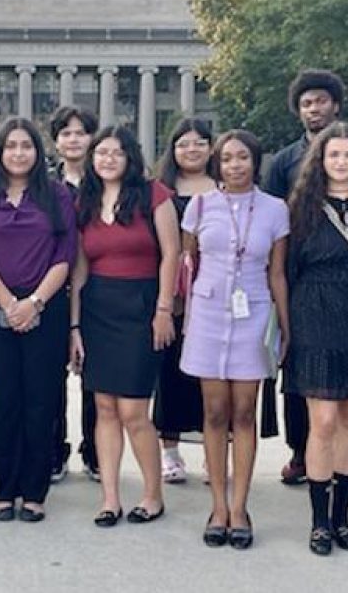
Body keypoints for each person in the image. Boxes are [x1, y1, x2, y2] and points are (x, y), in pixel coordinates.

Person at [264, 69, 348, 489]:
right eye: (306, 103)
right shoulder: (284, 162)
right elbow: (277, 224)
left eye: (320, 101)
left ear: (335, 104)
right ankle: (302, 451)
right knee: (305, 384)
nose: (314, 109)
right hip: (306, 287)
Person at [0, 118, 76, 522]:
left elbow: (65, 253)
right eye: (10, 146)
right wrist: (10, 303)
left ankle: (34, 489)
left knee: (41, 399)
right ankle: (3, 485)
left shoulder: (56, 194)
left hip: (46, 311)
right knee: (0, 397)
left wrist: (35, 303)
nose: (18, 154)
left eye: (26, 146)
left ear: (38, 152)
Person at [181, 129, 289, 549]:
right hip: (208, 312)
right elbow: (189, 262)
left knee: (245, 413)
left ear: (255, 160)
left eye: (242, 157)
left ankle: (240, 506)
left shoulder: (275, 209)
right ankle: (218, 507)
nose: (234, 165)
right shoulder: (201, 204)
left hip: (255, 313)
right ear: (216, 163)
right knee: (213, 412)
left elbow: (276, 272)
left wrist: (286, 325)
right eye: (226, 159)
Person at [69, 127, 179, 527]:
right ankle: (110, 498)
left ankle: (153, 495)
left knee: (134, 409)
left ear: (131, 157)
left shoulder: (155, 196)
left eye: (116, 152)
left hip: (142, 306)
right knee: (104, 407)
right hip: (98, 307)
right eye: (101, 153)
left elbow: (172, 255)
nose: (108, 159)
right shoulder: (84, 200)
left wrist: (164, 309)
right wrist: (74, 325)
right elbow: (80, 266)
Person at [285, 123, 348, 555]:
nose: (341, 162)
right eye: (334, 155)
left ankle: (343, 518)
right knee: (321, 420)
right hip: (314, 315)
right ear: (320, 161)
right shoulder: (301, 209)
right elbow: (286, 270)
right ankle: (319, 521)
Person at [152, 117, 215, 483]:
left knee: (211, 377)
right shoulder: (161, 190)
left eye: (199, 142)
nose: (191, 149)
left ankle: (213, 452)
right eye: (183, 143)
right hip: (173, 295)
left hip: (215, 293)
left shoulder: (223, 186)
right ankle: (170, 451)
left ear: (211, 147)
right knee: (170, 373)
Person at [49, 105, 100, 481]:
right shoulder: (46, 185)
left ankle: (95, 451)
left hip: (99, 289)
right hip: (53, 289)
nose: (73, 139)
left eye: (80, 132)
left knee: (95, 376)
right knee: (51, 376)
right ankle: (55, 450)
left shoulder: (106, 183)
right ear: (55, 142)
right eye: (65, 133)